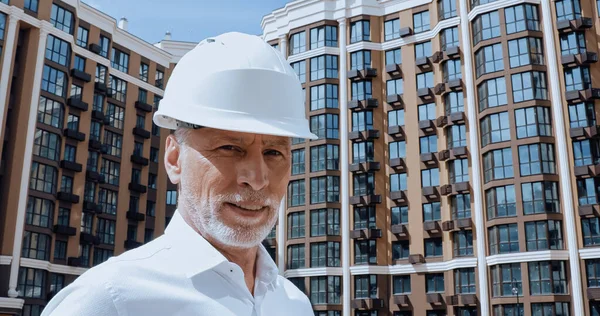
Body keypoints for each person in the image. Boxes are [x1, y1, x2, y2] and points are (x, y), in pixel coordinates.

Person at [41, 32, 317, 316]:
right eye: (230, 147)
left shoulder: (293, 304)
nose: (257, 179)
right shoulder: (109, 301)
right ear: (174, 158)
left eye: (274, 153)